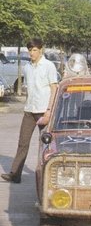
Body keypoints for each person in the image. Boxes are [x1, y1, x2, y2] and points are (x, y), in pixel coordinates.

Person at [1, 38, 58, 183]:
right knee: (23, 142)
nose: (32, 53)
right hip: (29, 110)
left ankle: (48, 177)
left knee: (47, 143)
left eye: (34, 50)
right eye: (30, 50)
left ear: (41, 50)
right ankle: (15, 174)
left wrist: (49, 110)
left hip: (44, 111)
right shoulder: (27, 67)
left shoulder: (49, 66)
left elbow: (54, 88)